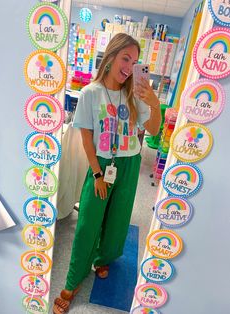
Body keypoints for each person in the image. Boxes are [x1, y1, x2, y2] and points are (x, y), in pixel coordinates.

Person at [53, 33, 161, 314]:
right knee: (88, 221)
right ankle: (73, 279)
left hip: (129, 164)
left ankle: (103, 258)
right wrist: (97, 174)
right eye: (126, 58)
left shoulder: (134, 93)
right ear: (111, 57)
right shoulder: (91, 92)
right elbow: (87, 137)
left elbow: (152, 131)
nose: (129, 66)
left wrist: (154, 103)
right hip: (101, 164)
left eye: (135, 62)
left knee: (117, 222)